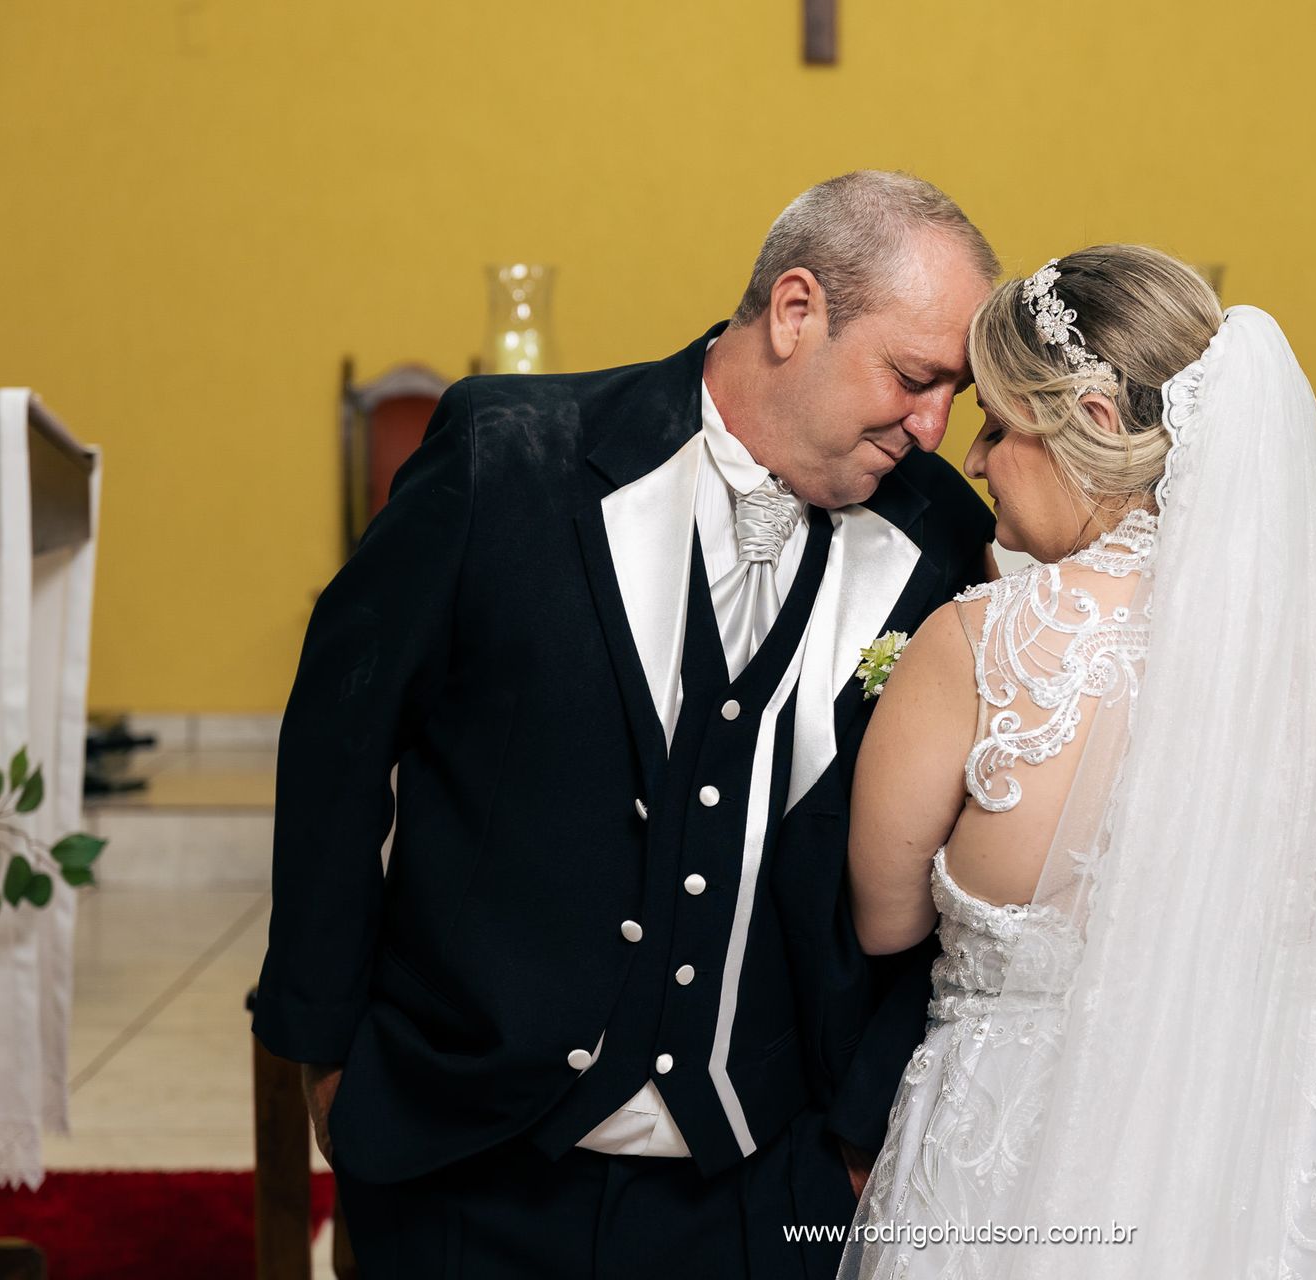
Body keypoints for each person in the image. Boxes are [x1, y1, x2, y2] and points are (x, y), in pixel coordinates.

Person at [252, 170, 998, 1278]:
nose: (936, 426)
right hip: (468, 1163)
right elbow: (337, 749)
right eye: (913, 376)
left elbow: (951, 861)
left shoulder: (938, 534)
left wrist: (854, 1132)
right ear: (796, 311)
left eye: (959, 395)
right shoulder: (506, 458)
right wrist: (323, 1048)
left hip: (761, 1187)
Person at [839, 245, 1316, 1277]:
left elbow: (885, 917)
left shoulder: (982, 647)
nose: (977, 458)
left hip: (1041, 1158)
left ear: (1095, 420)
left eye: (998, 423)